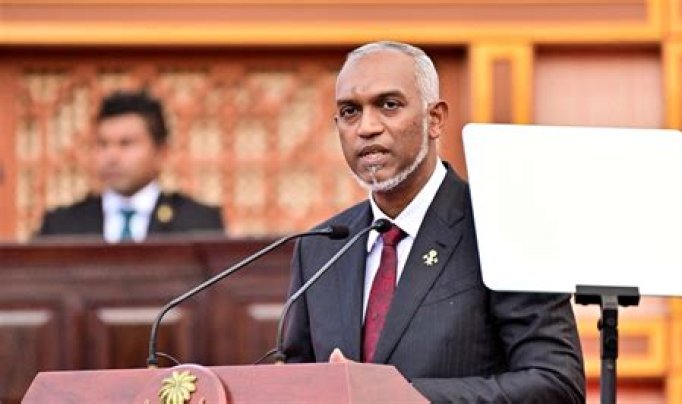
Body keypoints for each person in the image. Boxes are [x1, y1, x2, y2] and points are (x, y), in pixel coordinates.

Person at [282, 41, 585, 402]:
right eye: (350, 111)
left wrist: (401, 396)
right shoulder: (320, 248)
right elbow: (295, 382)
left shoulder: (502, 228)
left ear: (435, 119)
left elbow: (556, 384)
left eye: (389, 105)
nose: (367, 127)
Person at [37, 90, 224, 242]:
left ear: (161, 152)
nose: (111, 157)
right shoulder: (61, 227)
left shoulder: (198, 223)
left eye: (126, 144)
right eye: (102, 144)